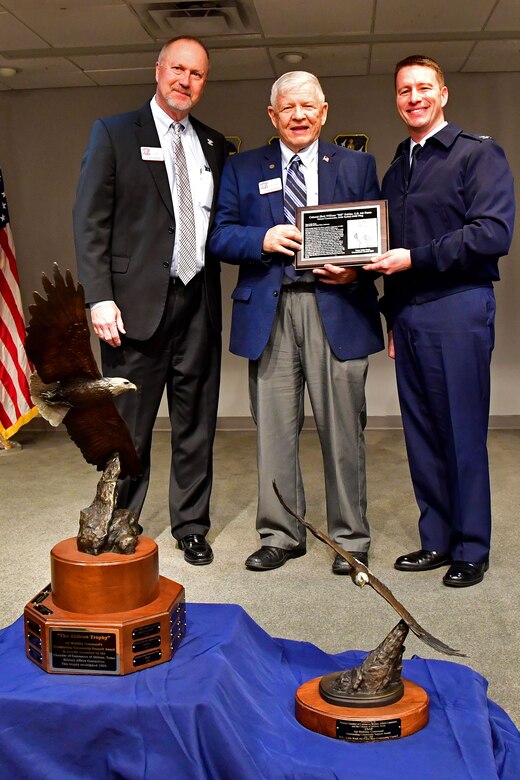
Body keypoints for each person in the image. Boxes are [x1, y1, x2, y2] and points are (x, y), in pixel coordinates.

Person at [209, 71, 384, 573]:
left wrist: (353, 268)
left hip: (338, 306)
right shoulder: (243, 169)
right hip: (270, 310)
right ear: (273, 116)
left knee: (344, 432)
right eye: (288, 108)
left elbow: (371, 238)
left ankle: (350, 539)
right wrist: (260, 240)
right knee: (275, 432)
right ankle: (281, 534)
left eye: (308, 106)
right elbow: (220, 236)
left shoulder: (356, 165)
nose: (299, 116)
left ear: (324, 112)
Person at [73, 37, 227, 565]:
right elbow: (91, 222)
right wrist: (99, 297)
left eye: (198, 74)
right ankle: (121, 520)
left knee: (195, 424)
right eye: (178, 69)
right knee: (129, 427)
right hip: (134, 309)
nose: (186, 81)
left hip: (198, 305)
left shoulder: (213, 145)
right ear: (158, 70)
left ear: (205, 83)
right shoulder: (115, 133)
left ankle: (190, 525)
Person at [364, 55, 515, 587]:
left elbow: (492, 234)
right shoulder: (395, 167)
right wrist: (391, 315)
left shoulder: (478, 154)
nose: (414, 98)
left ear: (443, 94)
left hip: (458, 305)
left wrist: (415, 258)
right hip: (409, 315)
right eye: (404, 90)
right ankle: (437, 541)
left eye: (424, 87)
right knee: (422, 432)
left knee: (462, 429)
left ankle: (472, 546)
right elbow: (386, 252)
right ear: (397, 99)